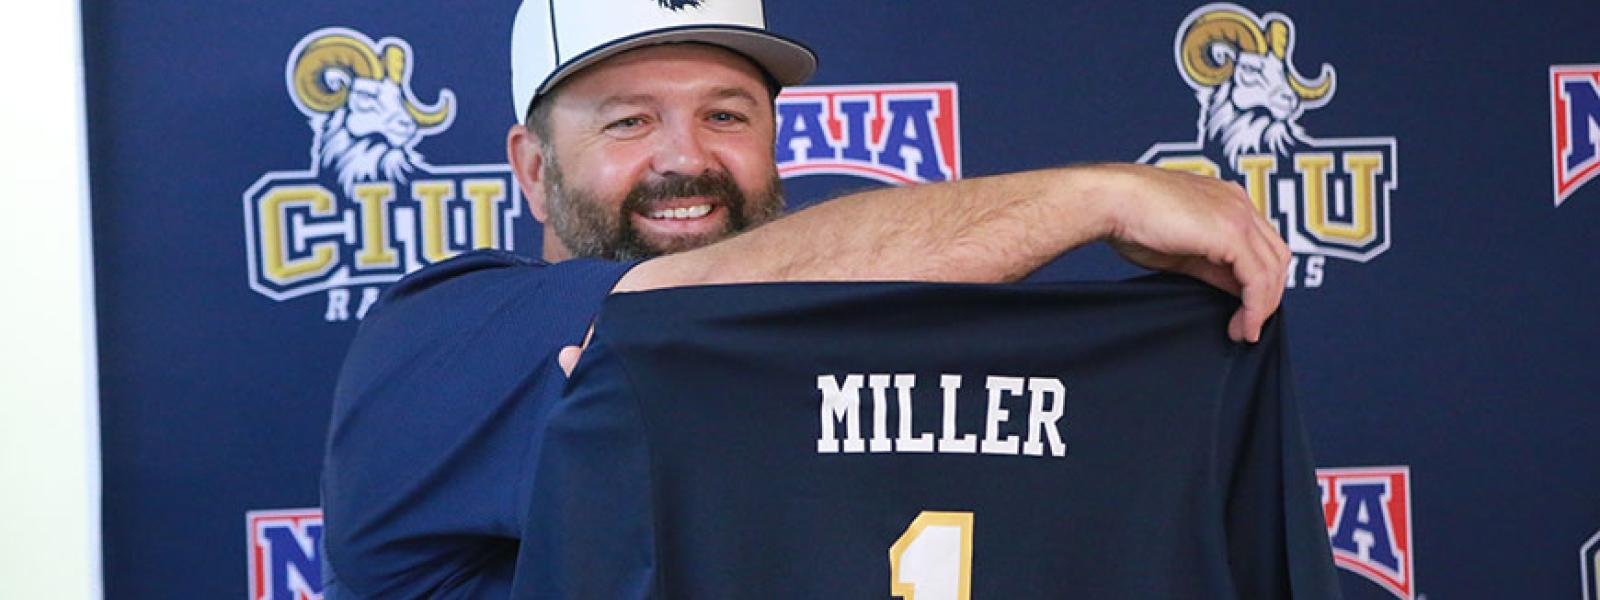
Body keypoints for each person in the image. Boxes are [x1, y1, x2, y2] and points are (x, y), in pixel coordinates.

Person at [321, 1, 1290, 598]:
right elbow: (678, 311)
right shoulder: (440, 340)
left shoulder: (864, 351)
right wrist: (1092, 195)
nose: (685, 156)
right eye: (627, 120)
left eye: (726, 115)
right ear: (532, 170)